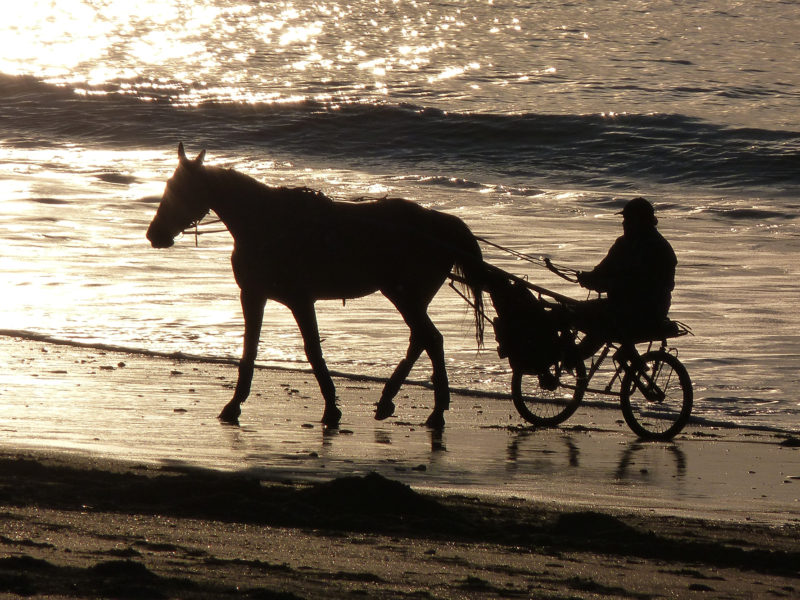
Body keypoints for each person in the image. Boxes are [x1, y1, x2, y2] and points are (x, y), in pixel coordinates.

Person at [570, 197, 677, 360]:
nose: (624, 224)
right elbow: (603, 270)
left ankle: (574, 358)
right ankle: (572, 357)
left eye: (628, 219)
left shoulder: (657, 249)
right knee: (570, 310)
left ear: (641, 221)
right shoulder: (623, 243)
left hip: (647, 310)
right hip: (621, 305)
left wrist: (601, 284)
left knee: (594, 320)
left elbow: (637, 285)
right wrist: (587, 277)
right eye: (624, 219)